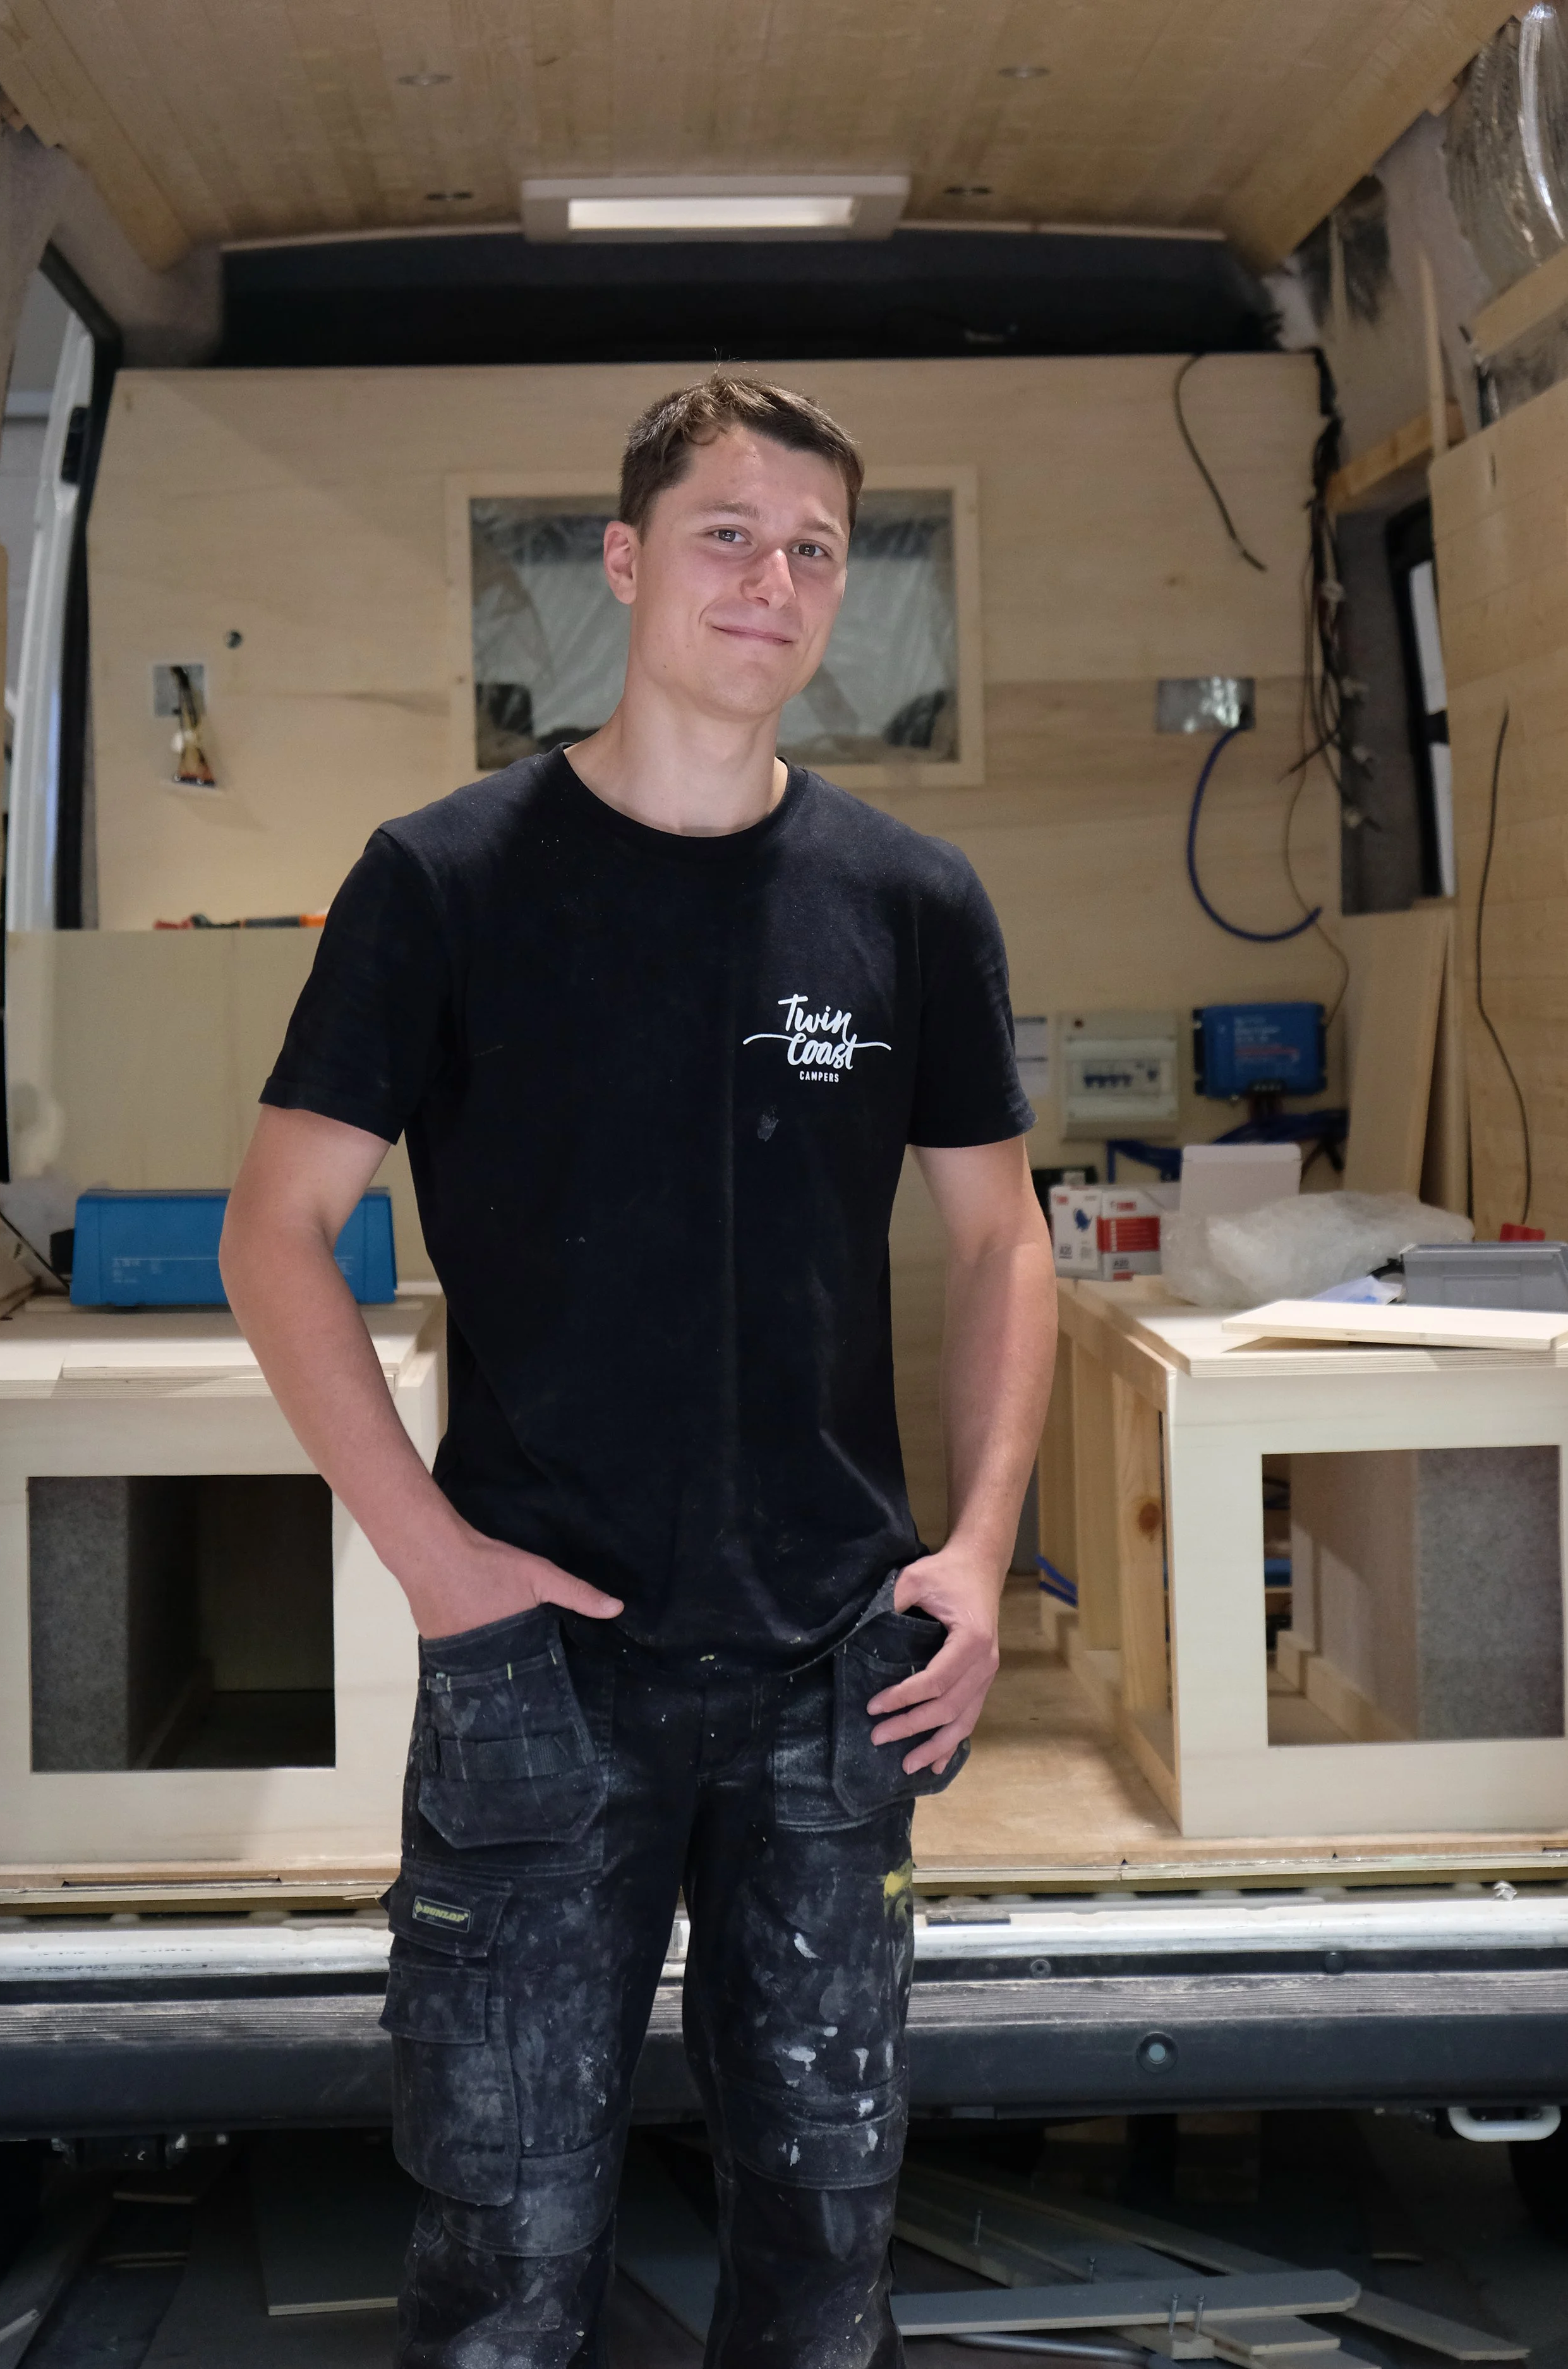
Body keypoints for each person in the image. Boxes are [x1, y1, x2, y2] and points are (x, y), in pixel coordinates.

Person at [221, 370, 1057, 2369]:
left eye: (813, 550)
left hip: (831, 1664)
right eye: (725, 533)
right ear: (621, 561)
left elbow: (1001, 1234)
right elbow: (276, 1227)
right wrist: (433, 1559)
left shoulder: (908, 904)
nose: (770, 578)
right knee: (504, 2250)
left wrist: (978, 1548)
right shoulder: (445, 880)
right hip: (542, 1662)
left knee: (825, 2239)